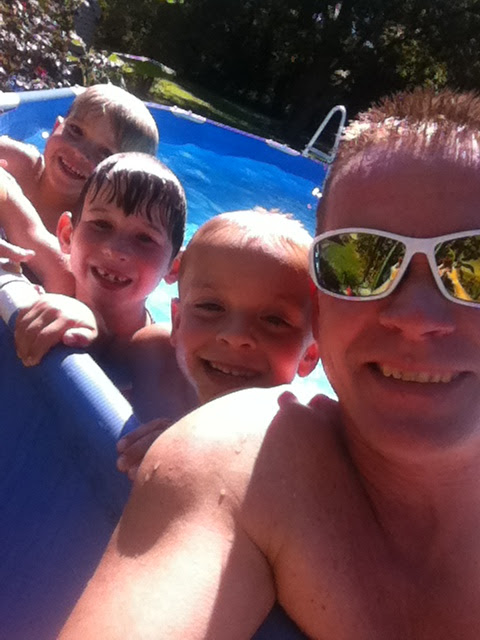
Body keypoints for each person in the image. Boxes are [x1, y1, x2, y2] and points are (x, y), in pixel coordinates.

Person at [60, 86, 480, 639]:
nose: (417, 316)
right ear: (321, 310)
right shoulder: (244, 460)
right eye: (359, 262)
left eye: (472, 265)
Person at [116, 209, 320, 478]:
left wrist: (198, 454)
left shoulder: (295, 441)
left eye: (275, 321)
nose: (236, 336)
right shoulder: (150, 356)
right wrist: (80, 320)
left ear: (309, 355)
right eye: (211, 307)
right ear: (177, 321)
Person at [14, 152, 186, 399]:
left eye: (145, 238)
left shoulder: (163, 356)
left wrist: (92, 326)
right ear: (67, 235)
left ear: (174, 267)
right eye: (102, 224)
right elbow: (20, 217)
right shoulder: (54, 281)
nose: (116, 250)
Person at [0, 83, 159, 288]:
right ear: (57, 127)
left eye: (105, 153)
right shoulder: (17, 162)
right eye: (75, 130)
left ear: (123, 184)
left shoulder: (94, 229)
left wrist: (9, 199)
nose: (80, 152)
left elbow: (70, 283)